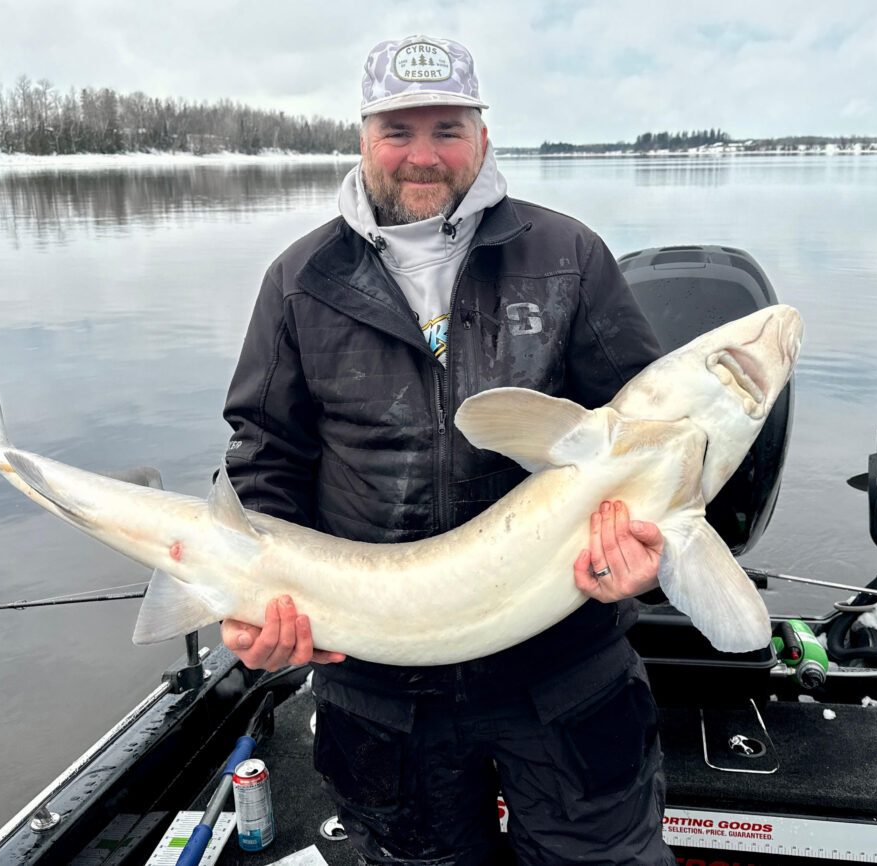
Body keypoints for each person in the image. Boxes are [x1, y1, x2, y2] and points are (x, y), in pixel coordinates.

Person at [220, 34, 675, 866]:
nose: (423, 155)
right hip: (381, 687)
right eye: (398, 130)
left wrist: (652, 547)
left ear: (483, 137)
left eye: (447, 130)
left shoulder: (569, 257)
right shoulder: (299, 280)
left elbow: (649, 436)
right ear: (363, 138)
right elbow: (267, 458)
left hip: (565, 668)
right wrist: (256, 598)